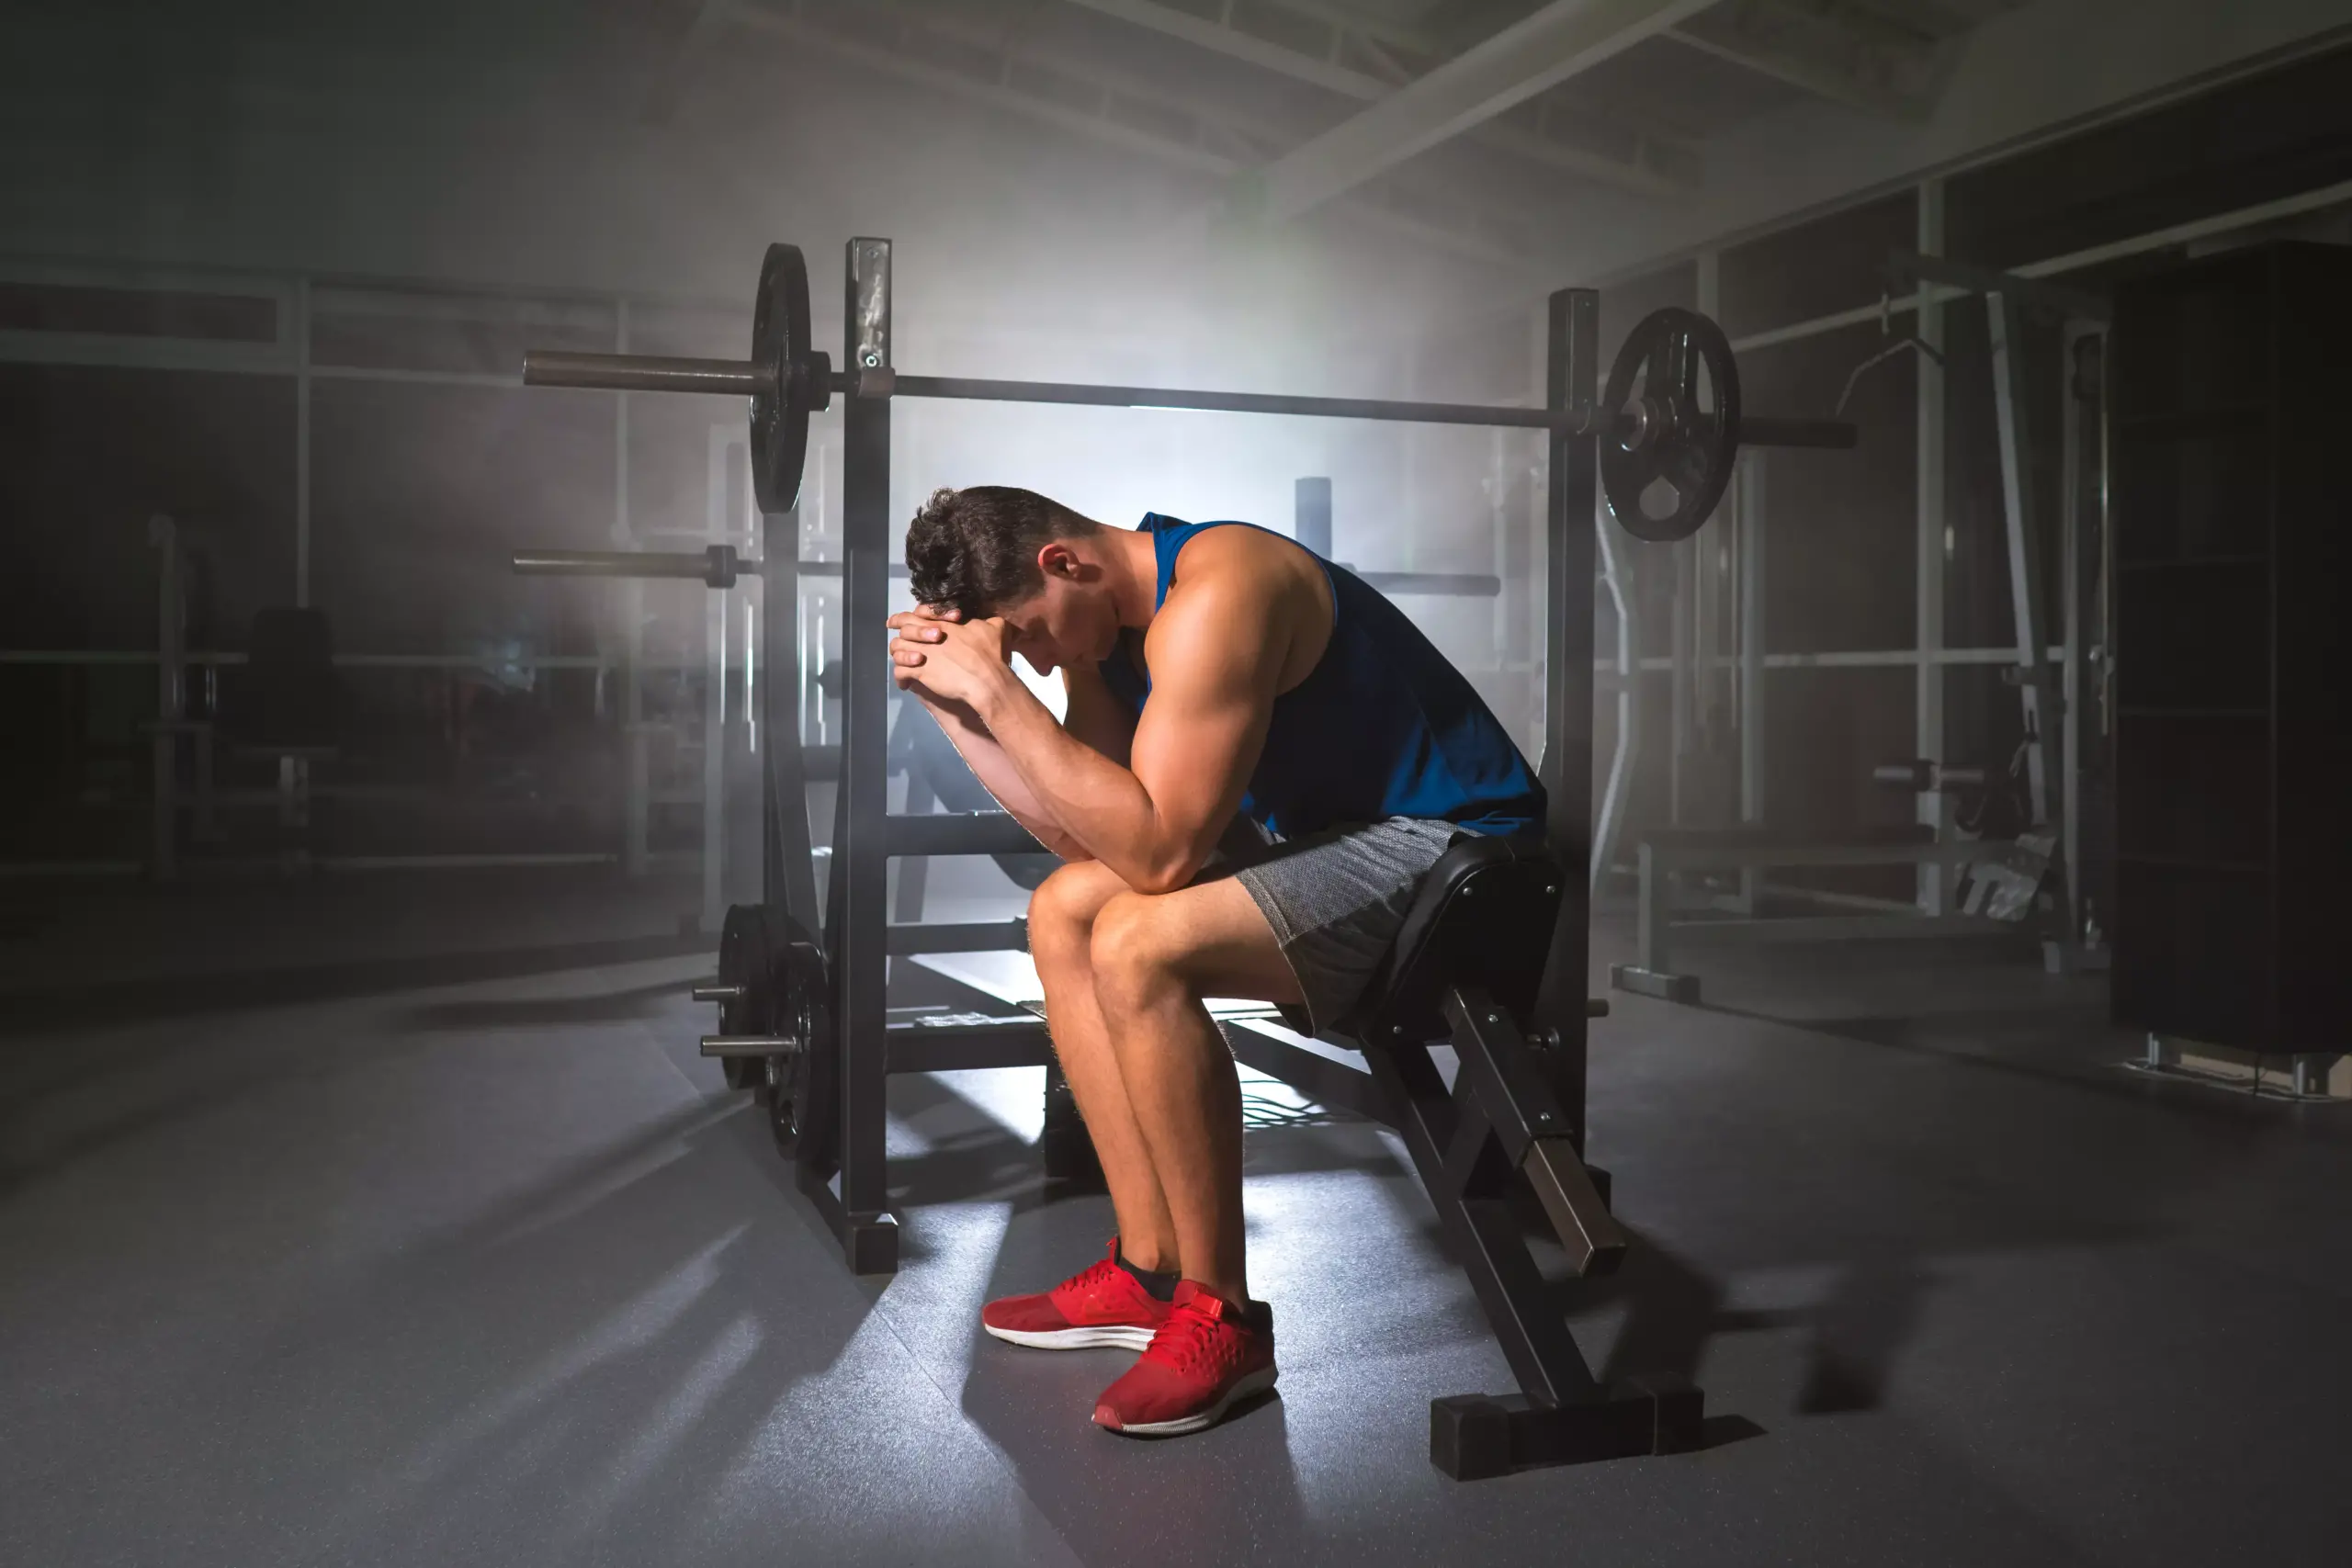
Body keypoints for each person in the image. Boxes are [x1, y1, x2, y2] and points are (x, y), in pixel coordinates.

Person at [888, 486, 1544, 1438]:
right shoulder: (1106, 638)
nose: (1033, 661)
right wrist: (957, 709)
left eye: (1027, 634)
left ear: (1061, 563)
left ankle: (1222, 1317)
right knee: (1064, 911)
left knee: (1137, 943)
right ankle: (1148, 1270)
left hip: (1456, 849)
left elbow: (1158, 858)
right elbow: (1086, 839)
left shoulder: (1221, 591)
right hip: (1335, 846)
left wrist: (999, 693)